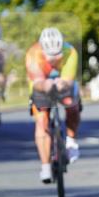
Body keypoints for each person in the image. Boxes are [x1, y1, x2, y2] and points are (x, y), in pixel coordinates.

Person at [26, 27, 81, 183]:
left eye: (58, 55)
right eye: (50, 56)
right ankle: (45, 166)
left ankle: (71, 141)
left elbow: (68, 80)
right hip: (40, 85)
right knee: (41, 120)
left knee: (73, 106)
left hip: (63, 82)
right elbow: (37, 83)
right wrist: (46, 85)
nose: (54, 59)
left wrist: (62, 83)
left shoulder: (70, 52)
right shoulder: (32, 54)